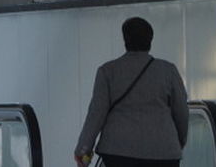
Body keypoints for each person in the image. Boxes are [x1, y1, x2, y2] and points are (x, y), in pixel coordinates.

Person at [74, 17, 189, 167]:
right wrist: (177, 141)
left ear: (125, 39)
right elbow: (181, 111)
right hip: (163, 152)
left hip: (118, 152)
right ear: (150, 40)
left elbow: (96, 113)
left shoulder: (108, 71)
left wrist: (83, 150)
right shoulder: (168, 71)